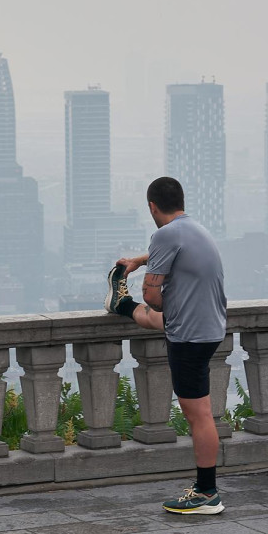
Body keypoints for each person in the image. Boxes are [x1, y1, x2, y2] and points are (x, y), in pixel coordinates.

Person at [105, 176, 228, 515]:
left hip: (190, 337)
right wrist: (140, 261)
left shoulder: (165, 233)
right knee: (155, 318)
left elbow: (153, 296)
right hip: (209, 325)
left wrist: (155, 295)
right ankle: (119, 305)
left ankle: (206, 493)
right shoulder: (193, 229)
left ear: (152, 207)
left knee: (198, 415)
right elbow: (172, 253)